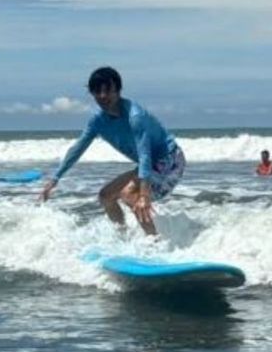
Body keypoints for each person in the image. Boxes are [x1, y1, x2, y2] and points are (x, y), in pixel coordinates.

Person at [41, 65, 184, 236]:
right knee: (105, 196)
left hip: (170, 160)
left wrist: (144, 194)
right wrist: (56, 178)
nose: (102, 96)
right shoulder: (98, 120)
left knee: (130, 194)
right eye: (97, 92)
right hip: (149, 165)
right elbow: (77, 148)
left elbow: (144, 154)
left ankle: (154, 242)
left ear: (118, 90)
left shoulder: (135, 116)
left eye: (108, 91)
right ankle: (123, 237)